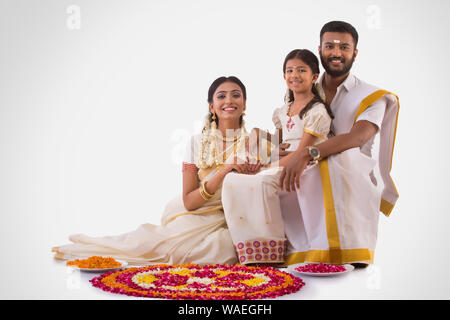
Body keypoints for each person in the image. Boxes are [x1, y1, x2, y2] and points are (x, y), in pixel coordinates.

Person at [52, 76, 269, 265]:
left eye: (236, 95)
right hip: (194, 214)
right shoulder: (196, 144)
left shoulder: (256, 141)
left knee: (224, 251)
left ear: (245, 103)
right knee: (150, 247)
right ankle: (90, 246)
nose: (229, 101)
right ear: (212, 106)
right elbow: (190, 201)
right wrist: (225, 170)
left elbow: (284, 160)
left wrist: (267, 142)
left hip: (229, 220)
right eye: (221, 96)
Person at [279, 21, 400, 267]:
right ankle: (290, 251)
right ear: (320, 50)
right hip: (306, 160)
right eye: (329, 46)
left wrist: (306, 154)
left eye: (344, 47)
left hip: (350, 168)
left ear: (354, 53)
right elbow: (289, 126)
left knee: (337, 161)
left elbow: (357, 138)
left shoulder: (371, 95)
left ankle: (343, 251)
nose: (336, 52)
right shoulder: (304, 85)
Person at [221, 49, 332, 265]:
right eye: (289, 70)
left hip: (304, 162)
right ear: (284, 77)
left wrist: (268, 166)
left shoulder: (317, 111)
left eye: (302, 70)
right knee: (232, 180)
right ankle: (250, 250)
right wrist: (258, 135)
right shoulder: (283, 110)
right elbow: (279, 140)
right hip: (282, 160)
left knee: (262, 181)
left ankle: (272, 249)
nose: (295, 75)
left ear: (314, 76)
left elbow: (302, 151)